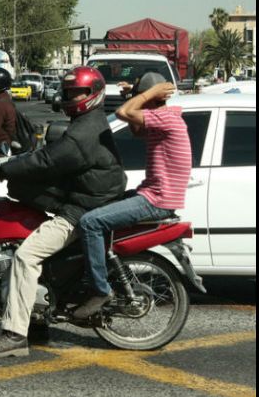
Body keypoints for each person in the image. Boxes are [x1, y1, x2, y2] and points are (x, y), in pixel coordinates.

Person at [0, 66, 127, 358]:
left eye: (77, 92)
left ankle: (14, 335)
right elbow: (49, 160)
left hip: (83, 208)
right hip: (88, 197)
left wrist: (1, 171)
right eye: (69, 92)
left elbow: (47, 161)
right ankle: (36, 320)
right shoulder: (89, 121)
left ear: (92, 93)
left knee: (25, 257)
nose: (71, 97)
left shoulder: (83, 133)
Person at [74, 72, 189, 319]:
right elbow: (136, 130)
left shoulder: (166, 118)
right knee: (100, 206)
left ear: (153, 97)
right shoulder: (163, 119)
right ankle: (95, 271)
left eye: (142, 96)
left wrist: (144, 95)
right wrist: (134, 95)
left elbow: (122, 113)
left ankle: (100, 289)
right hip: (154, 194)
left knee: (90, 223)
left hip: (156, 200)